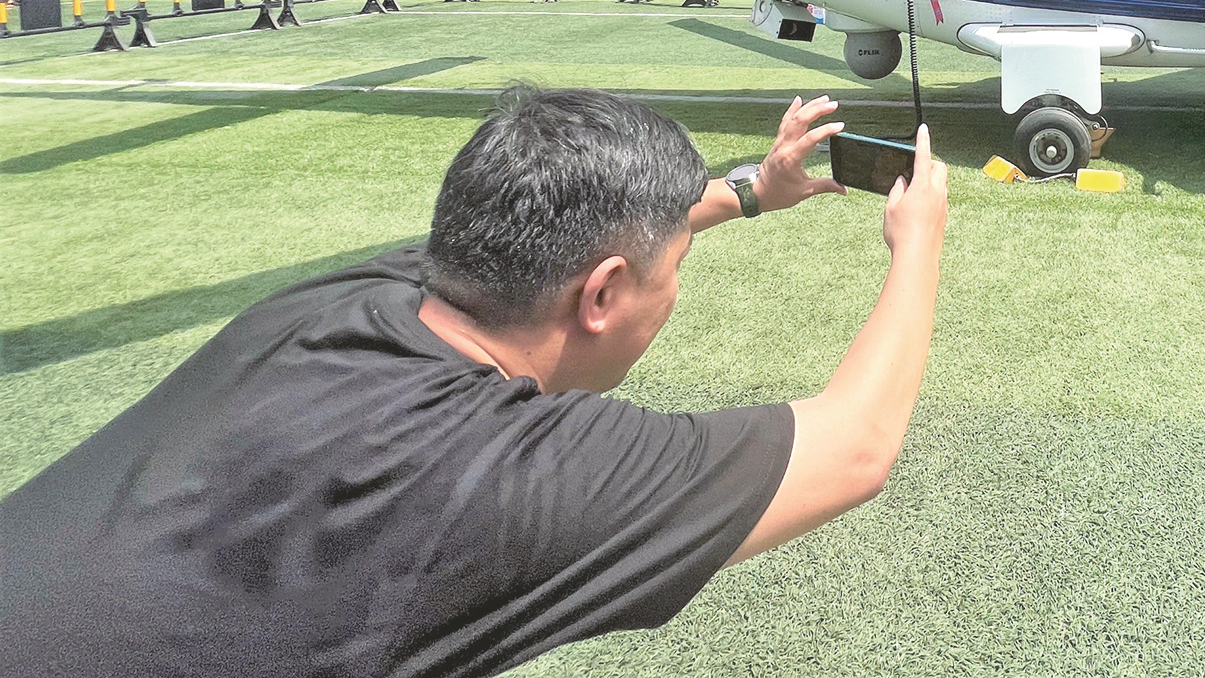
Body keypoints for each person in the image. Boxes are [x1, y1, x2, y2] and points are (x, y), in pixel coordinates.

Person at [2, 88, 949, 676]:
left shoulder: (341, 300)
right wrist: (919, 246)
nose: (674, 279)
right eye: (673, 265)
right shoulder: (506, 473)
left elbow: (564, 234)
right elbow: (854, 448)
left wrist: (746, 192)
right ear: (603, 295)